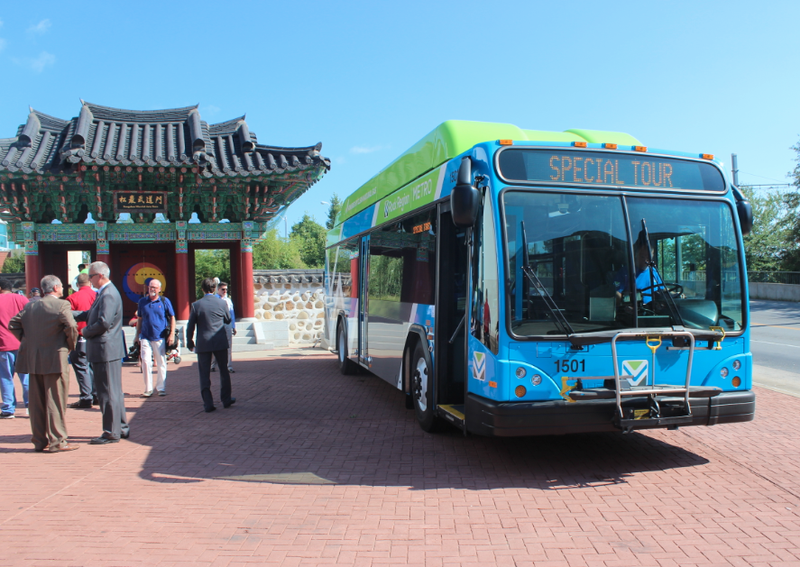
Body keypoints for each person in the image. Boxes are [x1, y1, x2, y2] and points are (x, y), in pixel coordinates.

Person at [8, 275, 78, 452]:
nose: (63, 289)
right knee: (55, 400)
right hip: (55, 358)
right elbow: (71, 325)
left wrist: (28, 341)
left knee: (37, 402)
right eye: (61, 286)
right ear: (55, 288)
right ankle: (58, 440)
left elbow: (13, 323)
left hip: (34, 359)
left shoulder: (30, 305)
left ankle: (39, 440)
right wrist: (69, 345)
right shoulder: (61, 304)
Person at [76, 261, 129, 444]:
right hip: (107, 349)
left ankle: (110, 432)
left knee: (107, 392)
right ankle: (120, 427)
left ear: (100, 276)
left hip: (105, 349)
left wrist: (85, 332)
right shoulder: (106, 293)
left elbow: (103, 322)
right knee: (113, 390)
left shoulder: (108, 294)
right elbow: (90, 314)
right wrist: (70, 312)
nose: (89, 280)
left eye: (91, 276)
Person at [186, 278, 234, 413]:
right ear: (214, 289)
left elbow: (190, 325)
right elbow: (228, 319)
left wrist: (190, 341)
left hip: (203, 342)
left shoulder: (197, 305)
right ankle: (226, 399)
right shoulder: (222, 303)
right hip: (220, 341)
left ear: (202, 289)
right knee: (224, 371)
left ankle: (208, 403)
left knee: (204, 373)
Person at [133, 278, 175, 397]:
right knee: (146, 361)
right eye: (150, 287)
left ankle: (161, 388)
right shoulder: (142, 302)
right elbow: (140, 319)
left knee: (161, 362)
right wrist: (137, 335)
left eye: (155, 287)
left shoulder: (164, 301)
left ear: (159, 289)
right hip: (145, 335)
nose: (152, 289)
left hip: (159, 336)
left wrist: (171, 334)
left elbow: (172, 317)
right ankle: (148, 388)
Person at [66, 273, 97, 409]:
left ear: (77, 285)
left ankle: (86, 396)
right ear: (90, 283)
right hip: (96, 336)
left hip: (80, 336)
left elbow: (68, 320)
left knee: (81, 366)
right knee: (94, 366)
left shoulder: (72, 298)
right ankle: (96, 394)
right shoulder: (97, 296)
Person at [0, 278, 29, 419]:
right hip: (22, 342)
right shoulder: (21, 299)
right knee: (27, 376)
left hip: (3, 344)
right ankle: (31, 405)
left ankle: (8, 407)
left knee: (6, 377)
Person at [211, 281, 236, 373]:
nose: (225, 291)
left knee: (229, 346)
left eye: (226, 289)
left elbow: (232, 314)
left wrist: (233, 326)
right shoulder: (214, 299)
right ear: (218, 290)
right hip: (217, 325)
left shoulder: (228, 300)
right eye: (223, 289)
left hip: (227, 325)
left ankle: (229, 366)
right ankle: (213, 364)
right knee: (215, 346)